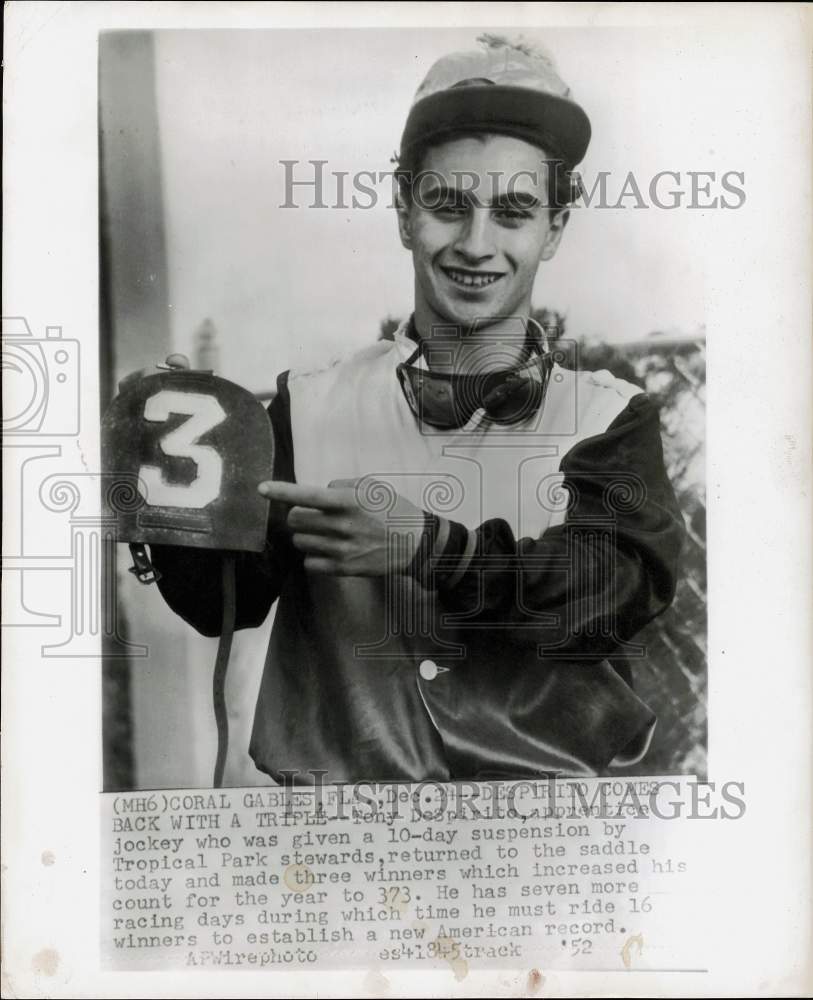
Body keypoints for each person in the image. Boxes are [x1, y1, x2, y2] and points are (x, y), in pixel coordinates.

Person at [151, 35, 685, 785]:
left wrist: (430, 550)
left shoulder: (608, 418)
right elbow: (218, 603)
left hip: (544, 846)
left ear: (553, 230)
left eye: (512, 212)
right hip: (340, 843)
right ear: (404, 213)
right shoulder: (305, 406)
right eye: (446, 206)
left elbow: (605, 597)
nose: (475, 243)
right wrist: (166, 489)